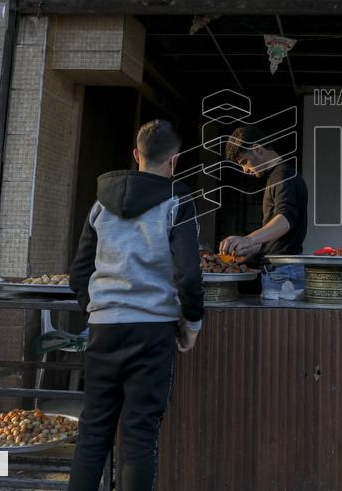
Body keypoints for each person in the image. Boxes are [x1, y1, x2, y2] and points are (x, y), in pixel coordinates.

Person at [68, 119, 204, 491]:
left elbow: (79, 272)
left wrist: (97, 309)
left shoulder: (100, 204)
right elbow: (189, 275)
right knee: (139, 437)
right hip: (153, 331)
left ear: (135, 155)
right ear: (175, 160)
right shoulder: (178, 200)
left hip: (103, 328)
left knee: (93, 433)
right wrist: (191, 326)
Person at [220, 125, 308, 299]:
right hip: (281, 270)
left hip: (283, 272)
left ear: (258, 149)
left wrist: (248, 239)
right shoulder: (277, 176)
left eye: (244, 162)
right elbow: (278, 235)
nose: (245, 169)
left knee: (279, 326)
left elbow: (285, 220)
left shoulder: (283, 175)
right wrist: (251, 249)